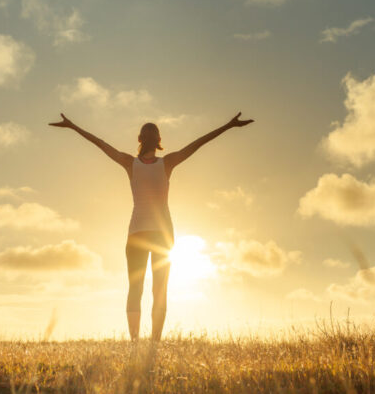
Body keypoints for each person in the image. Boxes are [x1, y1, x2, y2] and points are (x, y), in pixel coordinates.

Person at [48, 112, 254, 341]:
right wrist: (74, 126)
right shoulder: (153, 163)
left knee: (143, 289)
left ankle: (144, 342)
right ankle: (146, 342)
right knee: (151, 290)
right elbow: (197, 143)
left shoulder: (145, 163)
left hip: (147, 235)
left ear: (144, 140)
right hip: (153, 235)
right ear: (155, 141)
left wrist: (73, 125)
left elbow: (102, 144)